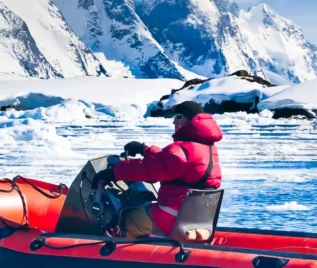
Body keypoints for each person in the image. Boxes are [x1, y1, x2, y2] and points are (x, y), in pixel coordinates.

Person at [93, 100, 223, 240]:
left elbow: (149, 169)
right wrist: (145, 150)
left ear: (192, 120)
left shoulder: (184, 148)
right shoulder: (207, 148)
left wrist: (114, 172)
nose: (174, 122)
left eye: (179, 117)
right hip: (196, 218)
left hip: (173, 215)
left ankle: (118, 257)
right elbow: (170, 164)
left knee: (127, 217)